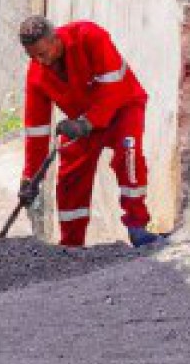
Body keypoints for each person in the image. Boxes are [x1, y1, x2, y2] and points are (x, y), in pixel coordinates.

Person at [18, 15, 160, 250]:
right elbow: (37, 131)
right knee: (70, 178)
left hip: (122, 107)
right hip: (82, 123)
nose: (39, 61)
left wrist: (86, 123)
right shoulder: (37, 74)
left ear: (55, 40)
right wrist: (31, 178)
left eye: (42, 54)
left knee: (128, 157)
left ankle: (138, 229)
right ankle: (72, 247)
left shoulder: (90, 36)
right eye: (32, 56)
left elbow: (113, 89)